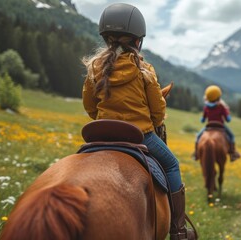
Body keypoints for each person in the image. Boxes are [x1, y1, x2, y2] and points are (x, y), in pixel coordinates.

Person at [81, 3, 197, 240]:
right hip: (140, 134)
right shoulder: (144, 70)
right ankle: (178, 231)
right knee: (172, 165)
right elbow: (157, 111)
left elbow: (90, 107)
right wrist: (152, 119)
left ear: (106, 39)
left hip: (100, 134)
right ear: (138, 41)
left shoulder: (94, 68)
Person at [193, 85, 241, 162]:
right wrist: (227, 111)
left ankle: (196, 153)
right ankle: (233, 153)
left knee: (198, 137)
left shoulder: (206, 107)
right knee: (232, 136)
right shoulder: (222, 106)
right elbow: (228, 119)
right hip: (220, 127)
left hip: (209, 127)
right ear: (218, 97)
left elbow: (202, 120)